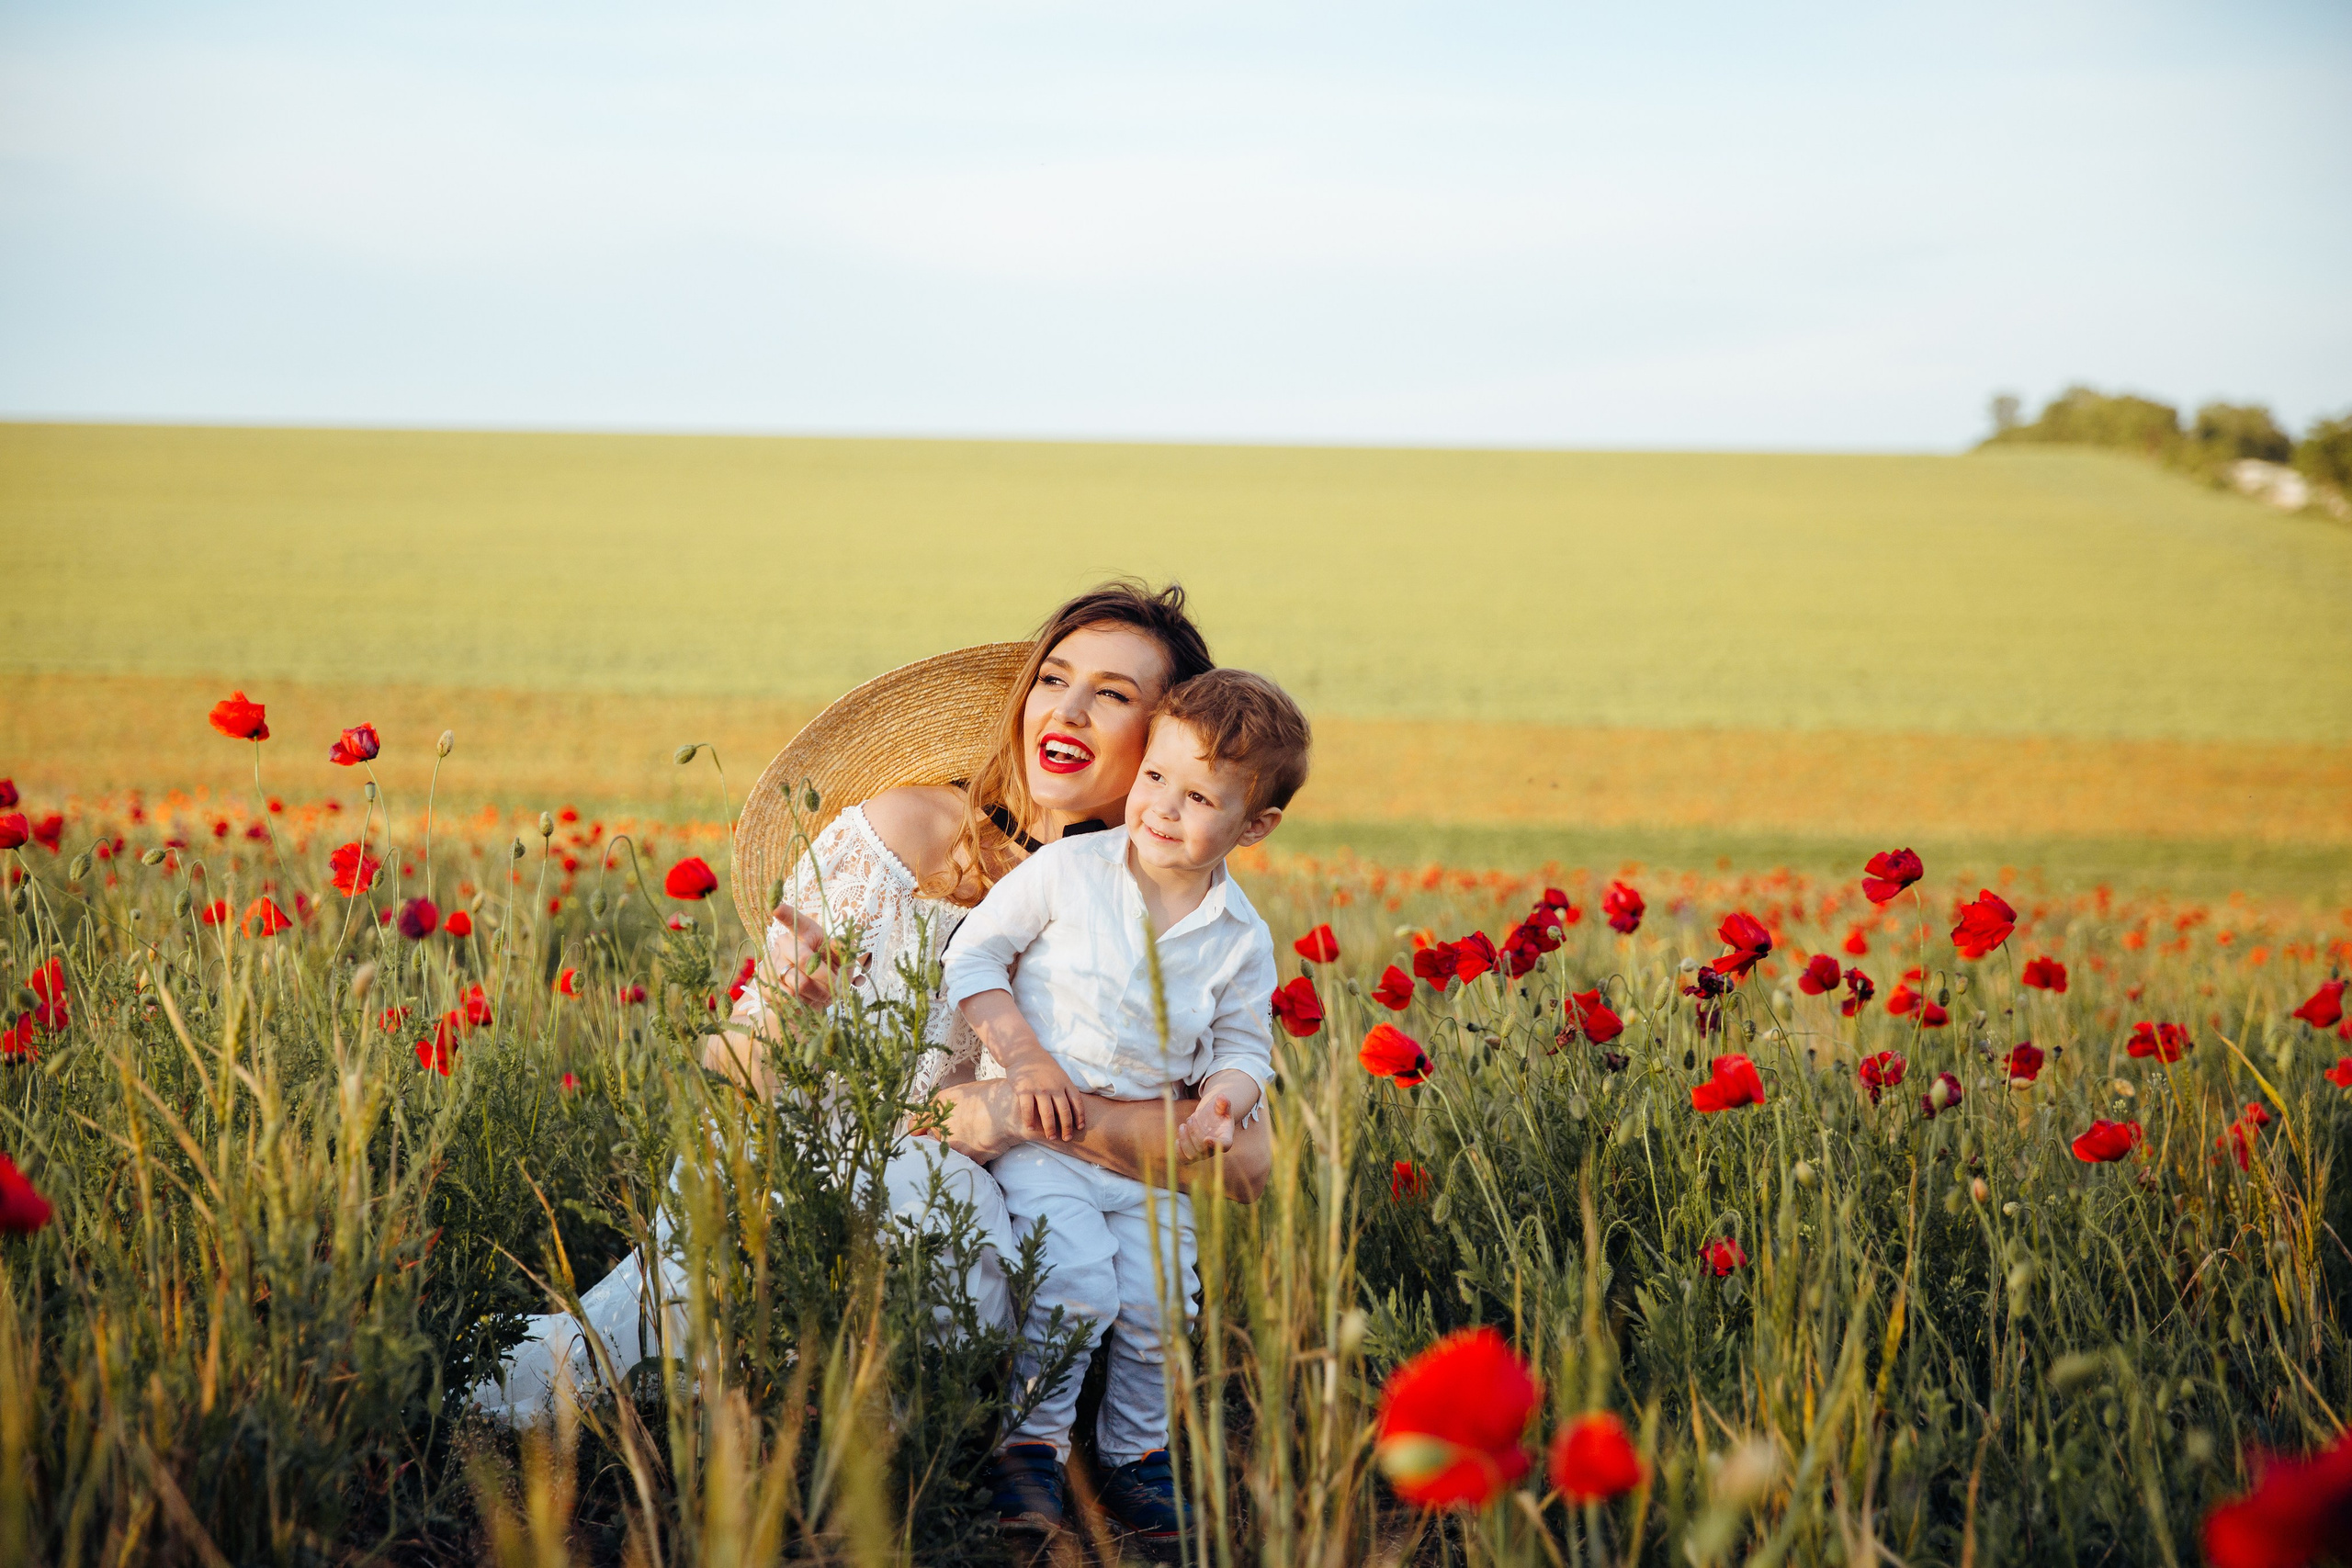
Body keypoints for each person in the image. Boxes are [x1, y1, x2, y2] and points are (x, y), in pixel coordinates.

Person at [470, 581, 1275, 1421]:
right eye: (1052, 678)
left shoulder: (1180, 920)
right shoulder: (906, 834)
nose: (1066, 710)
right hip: (806, 1169)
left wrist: (1010, 1114)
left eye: (1112, 695)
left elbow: (1251, 1163)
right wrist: (790, 1004)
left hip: (1009, 1224)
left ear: (1170, 744)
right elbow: (736, 1071)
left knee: (957, 1213)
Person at [943, 669, 1310, 1551]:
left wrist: (1226, 1100)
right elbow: (973, 959)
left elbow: (1241, 1046)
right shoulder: (1070, 873)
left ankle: (1134, 1453)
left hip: (1155, 1159)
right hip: (1048, 1138)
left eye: (1198, 797)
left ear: (1254, 825)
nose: (1162, 807)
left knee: (1157, 1304)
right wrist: (1025, 1055)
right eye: (1154, 778)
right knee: (1073, 1283)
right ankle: (1031, 1448)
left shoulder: (1239, 934)